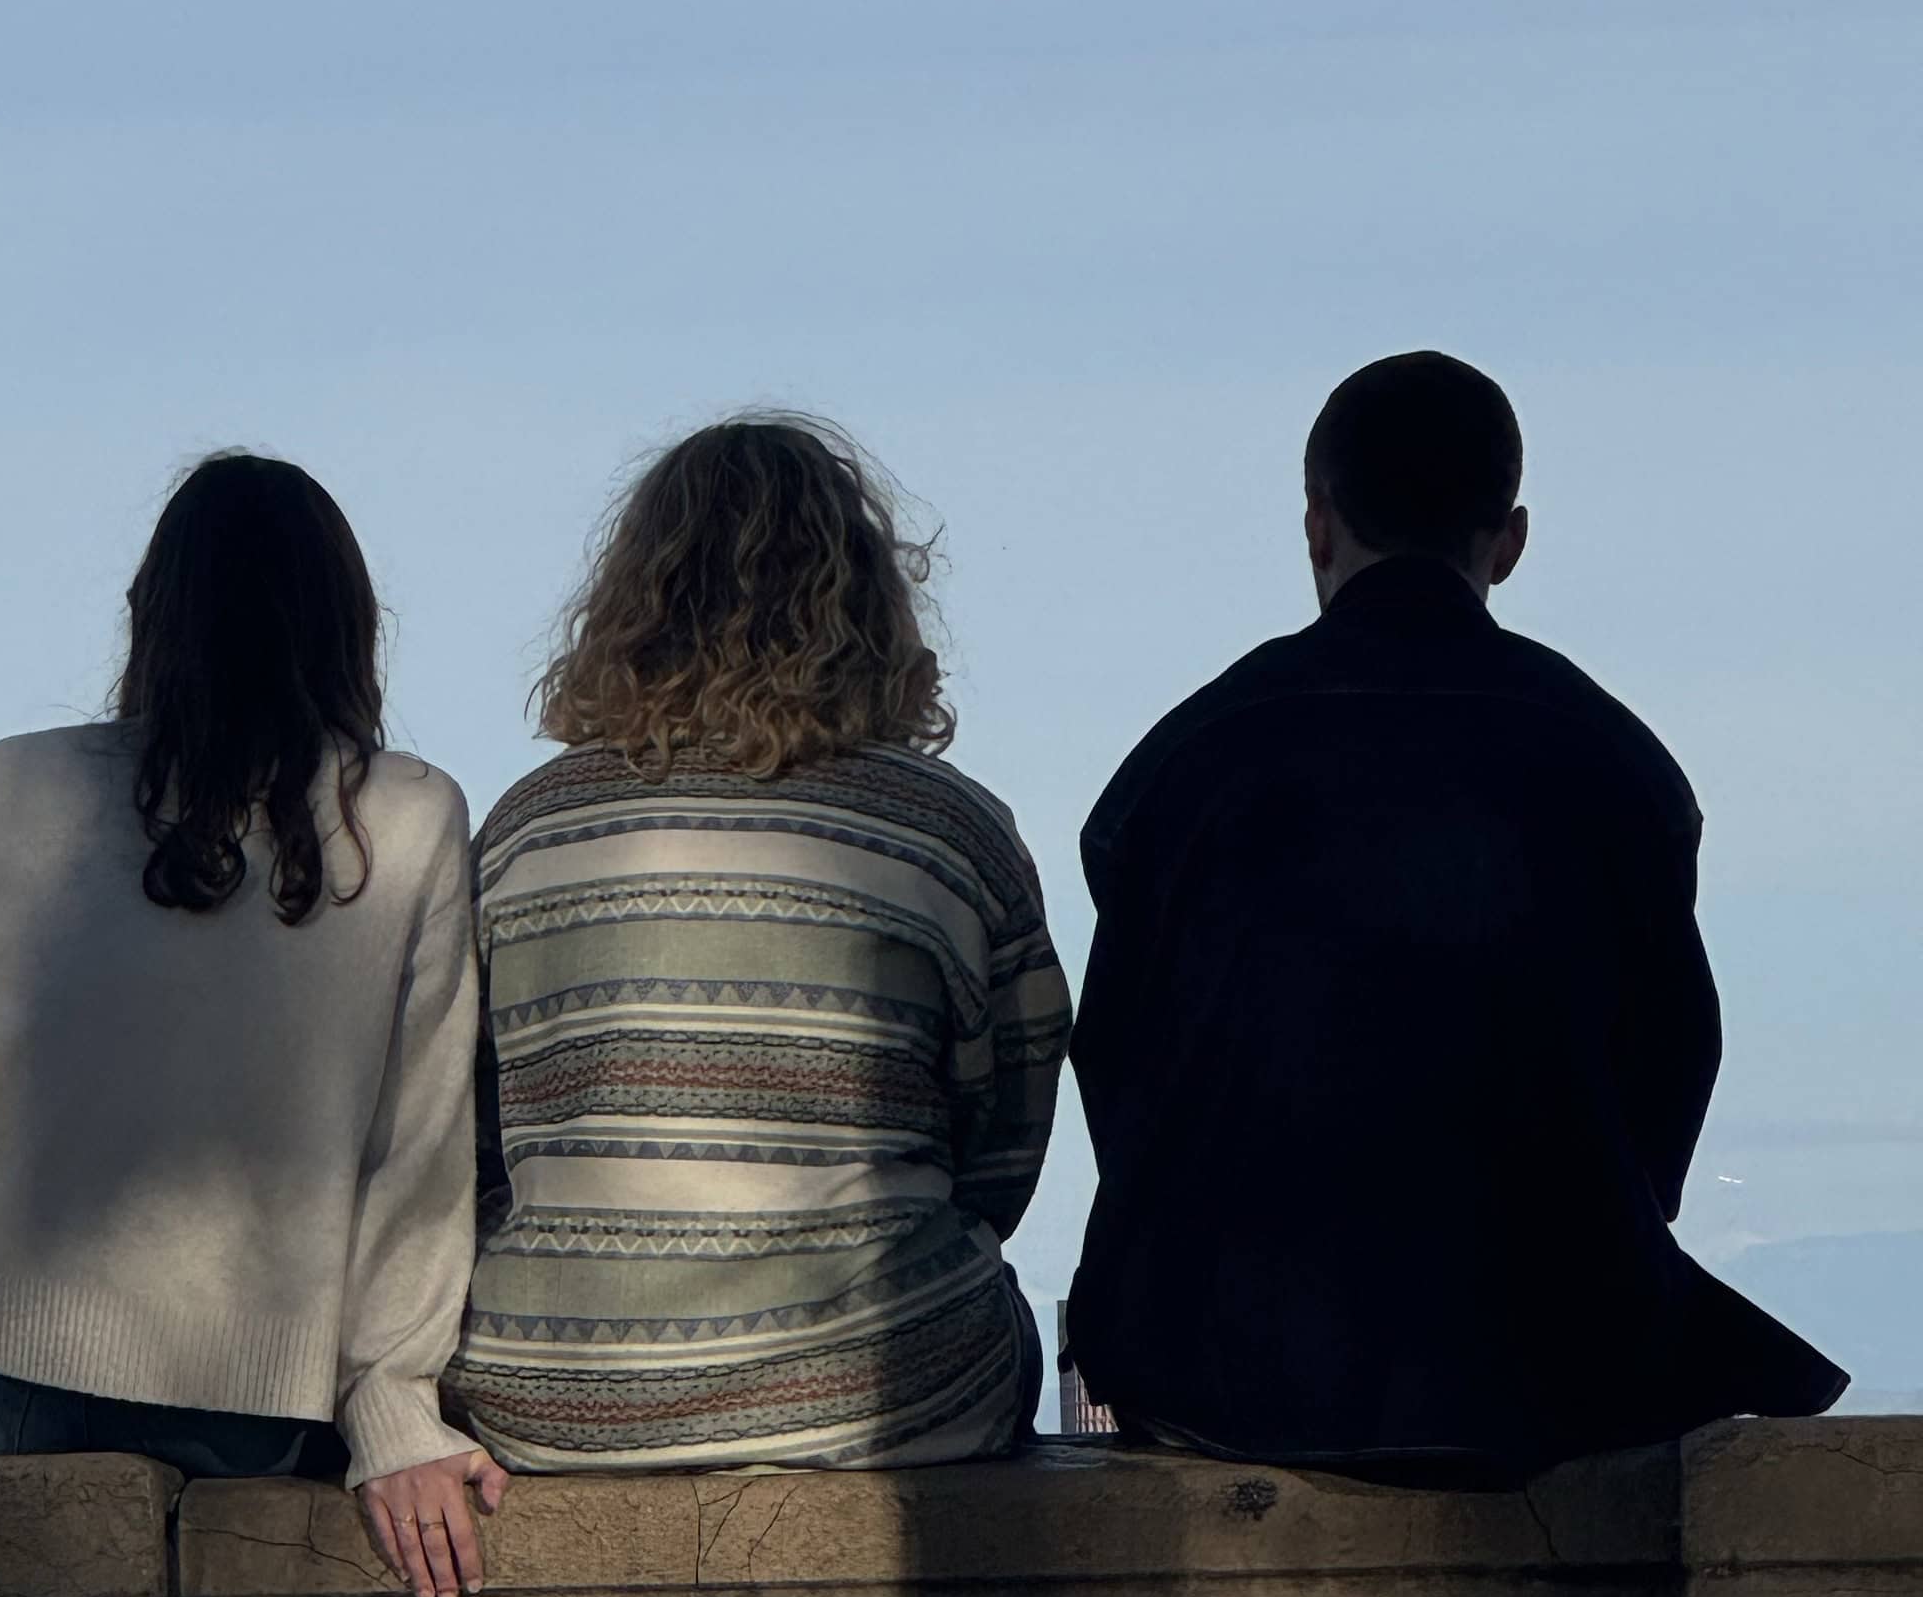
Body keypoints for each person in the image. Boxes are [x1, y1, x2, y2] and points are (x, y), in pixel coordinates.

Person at [1065, 349, 1845, 1477]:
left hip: (1221, 1358)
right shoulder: (1614, 760)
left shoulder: (1190, 759)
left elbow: (1120, 1068)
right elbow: (1670, 1060)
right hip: (1541, 1353)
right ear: (1510, 540)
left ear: (1317, 524)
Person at [0, 452, 506, 1597]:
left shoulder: (9, 787)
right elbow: (420, 1149)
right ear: (348, 628)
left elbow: (5, 1074)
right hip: (251, 1404)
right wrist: (391, 1409)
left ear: (151, 616)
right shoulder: (411, 817)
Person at [453, 417, 1070, 1470]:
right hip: (887, 1383)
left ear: (632, 603)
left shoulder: (525, 832)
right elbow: (1001, 1149)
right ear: (868, 602)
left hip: (556, 1399)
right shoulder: (950, 830)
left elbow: (469, 1147)